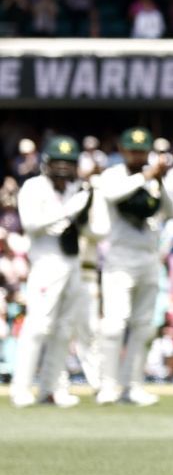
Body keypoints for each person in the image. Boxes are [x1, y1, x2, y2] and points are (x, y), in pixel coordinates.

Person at [88, 127, 173, 405]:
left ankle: (132, 385)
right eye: (132, 150)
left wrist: (159, 182)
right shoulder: (113, 175)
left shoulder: (152, 178)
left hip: (148, 254)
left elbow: (168, 210)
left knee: (144, 326)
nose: (137, 155)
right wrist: (146, 176)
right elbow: (114, 194)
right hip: (120, 255)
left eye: (142, 150)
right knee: (114, 324)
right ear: (123, 150)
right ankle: (107, 385)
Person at [11, 135, 91, 408]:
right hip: (45, 262)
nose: (63, 168)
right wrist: (68, 211)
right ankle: (20, 388)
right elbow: (31, 224)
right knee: (37, 326)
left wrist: (83, 209)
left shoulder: (78, 189)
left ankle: (51, 388)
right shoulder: (33, 187)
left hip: (72, 262)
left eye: (68, 162)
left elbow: (91, 230)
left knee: (64, 328)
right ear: (47, 163)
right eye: (58, 162)